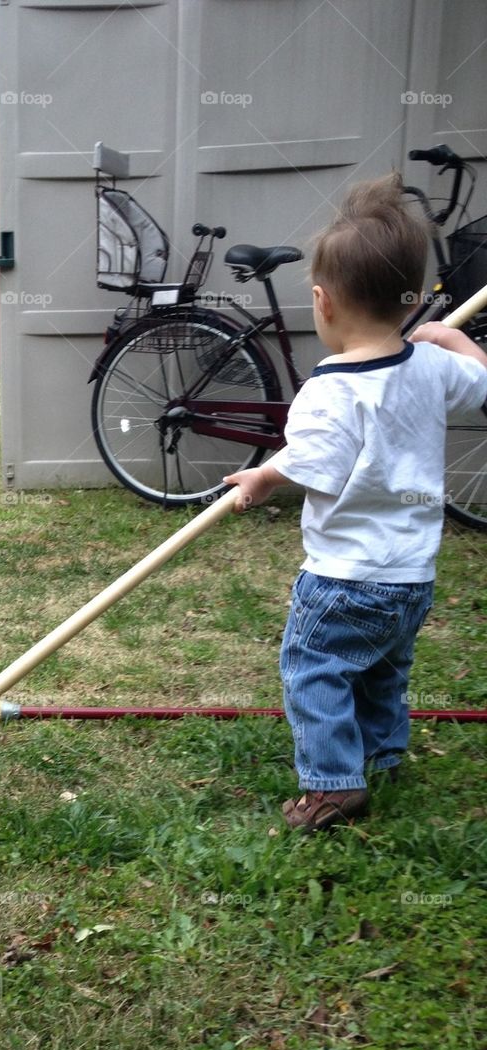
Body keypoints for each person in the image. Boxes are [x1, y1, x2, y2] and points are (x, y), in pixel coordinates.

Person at [224, 174, 487, 834]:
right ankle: (383, 752)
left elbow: (313, 460)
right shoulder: (430, 367)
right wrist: (460, 343)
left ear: (323, 301)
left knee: (315, 669)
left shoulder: (328, 390)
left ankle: (333, 785)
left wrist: (263, 477)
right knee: (381, 671)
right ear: (410, 301)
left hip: (344, 577)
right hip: (410, 579)